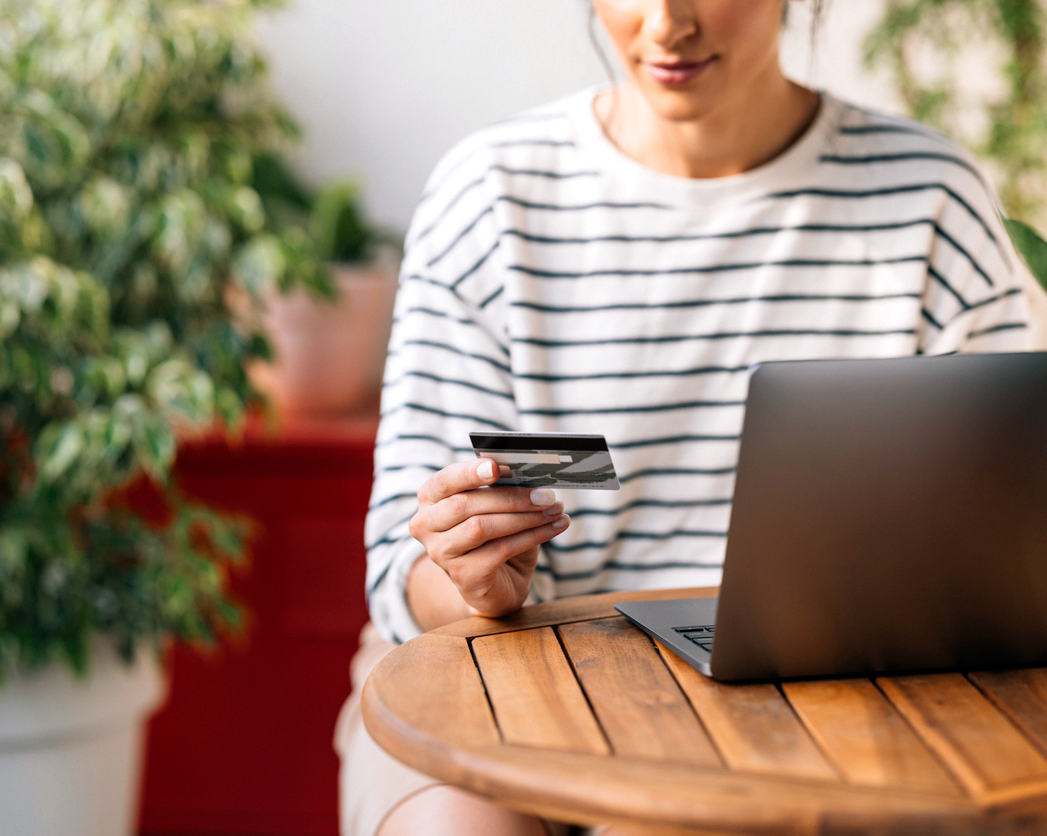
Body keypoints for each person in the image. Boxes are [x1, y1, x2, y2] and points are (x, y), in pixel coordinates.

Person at [335, 0, 1047, 834]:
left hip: (826, 699)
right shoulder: (490, 197)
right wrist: (466, 580)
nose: (666, 23)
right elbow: (399, 569)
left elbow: (1009, 530)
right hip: (500, 681)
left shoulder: (927, 197)